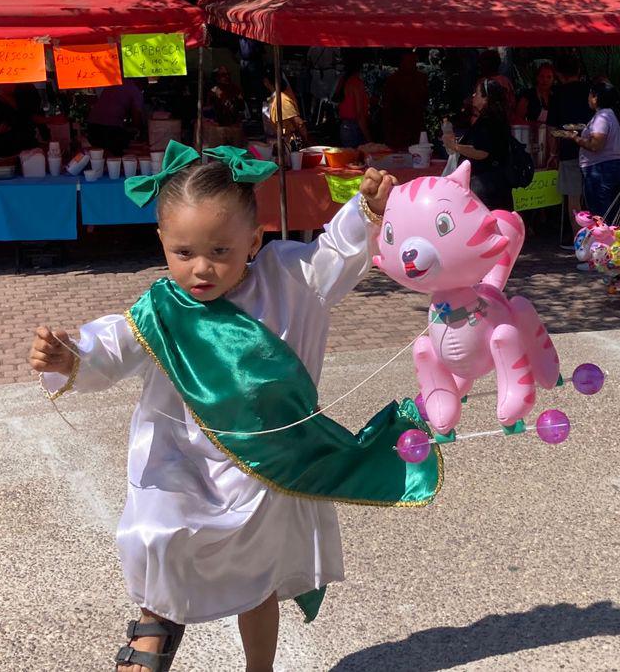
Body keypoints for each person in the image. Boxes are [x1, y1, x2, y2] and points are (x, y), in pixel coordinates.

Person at [27, 145, 430, 672]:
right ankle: (155, 627)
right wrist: (69, 355)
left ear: (254, 239)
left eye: (220, 251)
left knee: (255, 578)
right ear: (163, 245)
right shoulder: (162, 310)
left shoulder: (287, 279)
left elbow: (334, 254)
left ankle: (258, 667)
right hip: (180, 460)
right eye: (183, 252)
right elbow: (112, 347)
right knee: (158, 533)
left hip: (257, 469)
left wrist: (364, 211)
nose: (201, 268)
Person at [558, 81, 620, 221]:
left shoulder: (603, 116)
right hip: (617, 166)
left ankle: (604, 241)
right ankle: (612, 240)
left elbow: (595, 145)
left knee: (600, 215)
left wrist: (575, 138)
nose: (588, 98)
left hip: (600, 170)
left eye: (590, 95)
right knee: (611, 211)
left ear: (596, 98)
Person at [443, 79, 513, 211]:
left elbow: (482, 152)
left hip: (487, 186)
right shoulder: (495, 119)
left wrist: (455, 147)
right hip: (495, 184)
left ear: (486, 99)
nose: (474, 96)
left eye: (477, 93)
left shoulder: (489, 121)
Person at [546, 60, 593, 242]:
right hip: (593, 150)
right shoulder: (589, 90)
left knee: (573, 198)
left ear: (559, 75)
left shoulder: (558, 93)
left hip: (568, 151)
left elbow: (552, 128)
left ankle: (579, 240)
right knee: (592, 198)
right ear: (579, 70)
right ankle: (597, 236)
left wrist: (552, 153)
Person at [380, 52, 429, 150]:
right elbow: (387, 104)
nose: (412, 64)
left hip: (416, 122)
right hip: (398, 124)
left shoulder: (421, 78)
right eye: (409, 61)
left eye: (413, 61)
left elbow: (425, 98)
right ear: (402, 63)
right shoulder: (393, 80)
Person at [0, 84, 40, 158]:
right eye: (9, 83)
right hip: (3, 147)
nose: (13, 85)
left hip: (24, 146)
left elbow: (29, 117)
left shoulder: (19, 99)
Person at [89, 82, 147, 157]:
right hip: (110, 127)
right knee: (116, 156)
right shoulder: (136, 91)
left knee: (100, 156)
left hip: (93, 125)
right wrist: (141, 131)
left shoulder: (116, 83)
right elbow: (137, 117)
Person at [333, 59, 371, 148]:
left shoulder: (343, 81)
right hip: (354, 128)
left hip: (345, 127)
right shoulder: (356, 83)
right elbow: (359, 114)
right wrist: (369, 138)